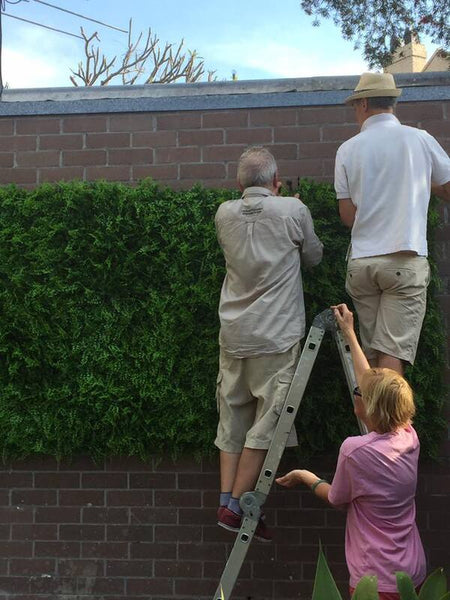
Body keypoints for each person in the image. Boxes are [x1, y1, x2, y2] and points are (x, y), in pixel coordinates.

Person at [276, 303, 426, 599]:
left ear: (367, 407)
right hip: (412, 571)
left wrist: (306, 476)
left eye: (361, 392)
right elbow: (370, 383)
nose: (357, 389)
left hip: (375, 579)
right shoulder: (409, 436)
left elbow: (336, 499)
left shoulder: (355, 450)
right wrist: (349, 333)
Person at [214, 146, 323, 541]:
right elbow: (313, 257)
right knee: (266, 424)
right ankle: (238, 505)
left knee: (233, 418)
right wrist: (292, 206)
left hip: (234, 334)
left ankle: (226, 500)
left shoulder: (224, 213)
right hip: (275, 336)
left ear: (238, 184)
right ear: (276, 183)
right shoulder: (292, 211)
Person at [334, 71, 450, 375]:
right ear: (392, 103)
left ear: (363, 104)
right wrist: (425, 185)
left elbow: (348, 217)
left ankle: (376, 423)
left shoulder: (347, 149)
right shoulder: (419, 139)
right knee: (391, 354)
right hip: (403, 259)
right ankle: (392, 424)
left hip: (362, 265)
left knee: (372, 357)